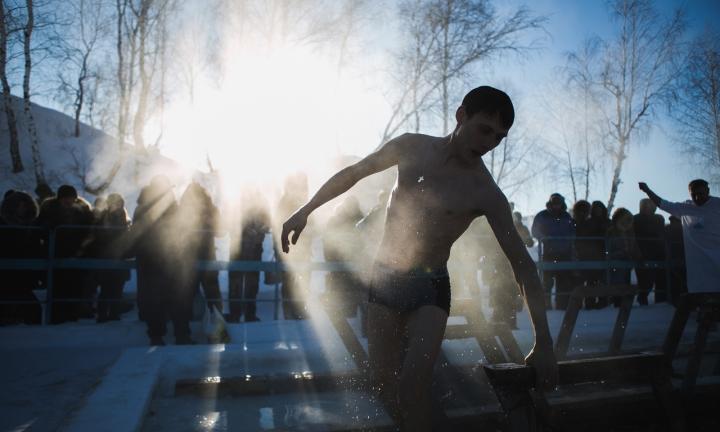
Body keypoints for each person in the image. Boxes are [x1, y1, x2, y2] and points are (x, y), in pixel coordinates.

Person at [281, 86, 557, 431]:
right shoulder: (411, 147)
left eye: (499, 138)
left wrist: (543, 342)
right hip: (384, 280)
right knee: (384, 385)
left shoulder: (484, 192)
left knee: (412, 386)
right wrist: (306, 209)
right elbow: (354, 173)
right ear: (461, 116)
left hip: (430, 288)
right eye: (484, 129)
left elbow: (522, 265)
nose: (490, 143)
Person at [130, 176, 192, 345]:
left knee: (157, 299)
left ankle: (158, 336)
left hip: (155, 258)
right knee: (176, 297)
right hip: (164, 257)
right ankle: (180, 335)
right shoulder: (167, 205)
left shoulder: (143, 207)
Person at [639, 180, 720, 294]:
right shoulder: (685, 207)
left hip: (717, 260)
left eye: (700, 194)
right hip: (697, 266)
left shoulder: (717, 204)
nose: (697, 198)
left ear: (707, 191)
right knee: (701, 297)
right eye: (693, 195)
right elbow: (663, 204)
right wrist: (647, 191)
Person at [36, 185, 94, 323]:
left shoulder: (83, 211)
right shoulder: (49, 209)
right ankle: (57, 318)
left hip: (77, 255)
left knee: (75, 287)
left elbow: (90, 231)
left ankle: (72, 317)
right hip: (56, 254)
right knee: (58, 287)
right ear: (59, 199)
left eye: (71, 198)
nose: (68, 201)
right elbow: (40, 228)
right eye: (65, 199)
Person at [178, 182, 223, 313]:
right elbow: (221, 232)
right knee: (211, 290)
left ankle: (185, 321)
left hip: (189, 254)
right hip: (203, 254)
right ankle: (215, 318)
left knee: (188, 290)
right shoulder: (211, 209)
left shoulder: (182, 208)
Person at [0, 190, 43, 325]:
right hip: (5, 272)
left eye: (24, 205)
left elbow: (36, 247)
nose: (22, 208)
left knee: (33, 309)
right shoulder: (3, 223)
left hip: (25, 273)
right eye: (19, 205)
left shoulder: (32, 225)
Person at [276, 173, 313, 320]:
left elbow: (312, 222)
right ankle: (289, 311)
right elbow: (279, 223)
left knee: (303, 279)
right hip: (290, 249)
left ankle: (299, 309)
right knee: (289, 280)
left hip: (303, 248)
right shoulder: (285, 202)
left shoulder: (304, 201)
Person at [229, 192, 270, 322]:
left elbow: (268, 222)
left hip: (251, 249)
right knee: (238, 282)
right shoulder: (236, 204)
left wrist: (260, 230)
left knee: (250, 282)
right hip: (239, 248)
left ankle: (246, 314)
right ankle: (239, 313)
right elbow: (230, 222)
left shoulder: (259, 204)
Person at [322, 196, 365, 318]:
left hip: (353, 262)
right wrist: (329, 260)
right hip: (338, 261)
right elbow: (328, 241)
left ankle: (349, 313)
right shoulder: (336, 220)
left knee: (350, 289)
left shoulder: (360, 218)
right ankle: (342, 315)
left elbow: (364, 239)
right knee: (341, 289)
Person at [91, 193, 131, 322]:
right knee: (106, 289)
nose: (116, 206)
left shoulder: (124, 219)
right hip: (107, 257)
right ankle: (103, 315)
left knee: (116, 289)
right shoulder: (104, 218)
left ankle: (113, 314)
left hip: (118, 258)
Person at [531, 193, 575, 310]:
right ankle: (546, 305)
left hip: (565, 253)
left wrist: (569, 241)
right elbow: (535, 230)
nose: (556, 206)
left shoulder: (566, 216)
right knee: (547, 282)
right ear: (551, 203)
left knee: (564, 281)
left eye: (558, 203)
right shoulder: (542, 215)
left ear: (562, 204)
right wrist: (545, 238)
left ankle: (562, 305)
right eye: (554, 203)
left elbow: (572, 232)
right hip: (549, 253)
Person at [633, 198, 667, 304]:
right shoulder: (636, 219)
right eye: (646, 205)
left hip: (659, 253)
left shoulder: (659, 218)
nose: (649, 207)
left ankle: (661, 302)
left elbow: (661, 233)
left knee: (661, 279)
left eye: (651, 205)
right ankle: (642, 300)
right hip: (642, 253)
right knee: (645, 280)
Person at [606, 207, 641, 307]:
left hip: (627, 263)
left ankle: (623, 304)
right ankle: (617, 303)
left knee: (626, 283)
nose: (626, 223)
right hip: (615, 263)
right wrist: (618, 254)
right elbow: (607, 248)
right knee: (617, 284)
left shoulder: (630, 232)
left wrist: (637, 256)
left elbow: (634, 246)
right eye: (624, 220)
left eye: (628, 221)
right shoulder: (611, 232)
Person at [665, 216, 687, 304]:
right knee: (683, 280)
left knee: (674, 280)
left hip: (671, 257)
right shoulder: (685, 228)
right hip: (683, 257)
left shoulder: (667, 228)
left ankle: (674, 300)